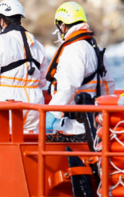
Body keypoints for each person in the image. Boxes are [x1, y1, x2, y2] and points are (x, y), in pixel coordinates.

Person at [0, 0, 47, 133]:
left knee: (2, 142)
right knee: (31, 143)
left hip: (5, 101)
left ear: (1, 21)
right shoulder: (38, 45)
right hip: (34, 102)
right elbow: (42, 81)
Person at [41, 1, 115, 134]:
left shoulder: (73, 49)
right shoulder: (93, 48)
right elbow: (108, 84)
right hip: (95, 124)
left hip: (75, 126)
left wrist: (52, 113)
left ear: (63, 26)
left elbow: (69, 85)